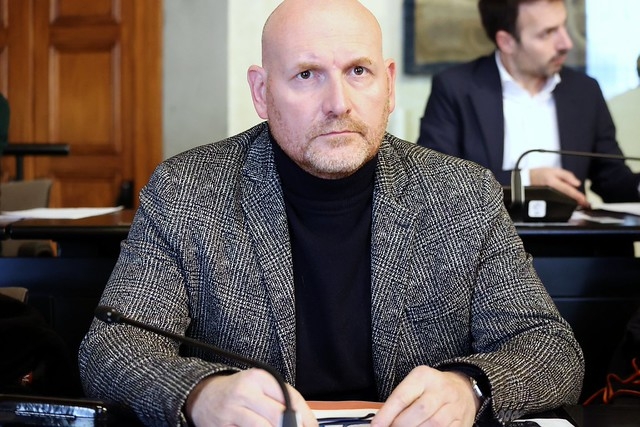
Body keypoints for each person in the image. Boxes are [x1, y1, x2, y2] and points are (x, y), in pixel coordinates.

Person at [78, 1, 584, 426]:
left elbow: (551, 348)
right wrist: (200, 393)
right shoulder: (187, 191)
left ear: (388, 85)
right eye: (306, 75)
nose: (338, 103)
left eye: (358, 71)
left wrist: (469, 386)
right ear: (261, 92)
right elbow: (112, 347)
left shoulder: (462, 193)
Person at [417, 0, 640, 209]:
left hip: (571, 236)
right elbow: (433, 183)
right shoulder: (455, 88)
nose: (566, 43)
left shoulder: (585, 90)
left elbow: (613, 180)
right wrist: (526, 180)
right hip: (486, 236)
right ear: (506, 42)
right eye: (547, 33)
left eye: (563, 26)